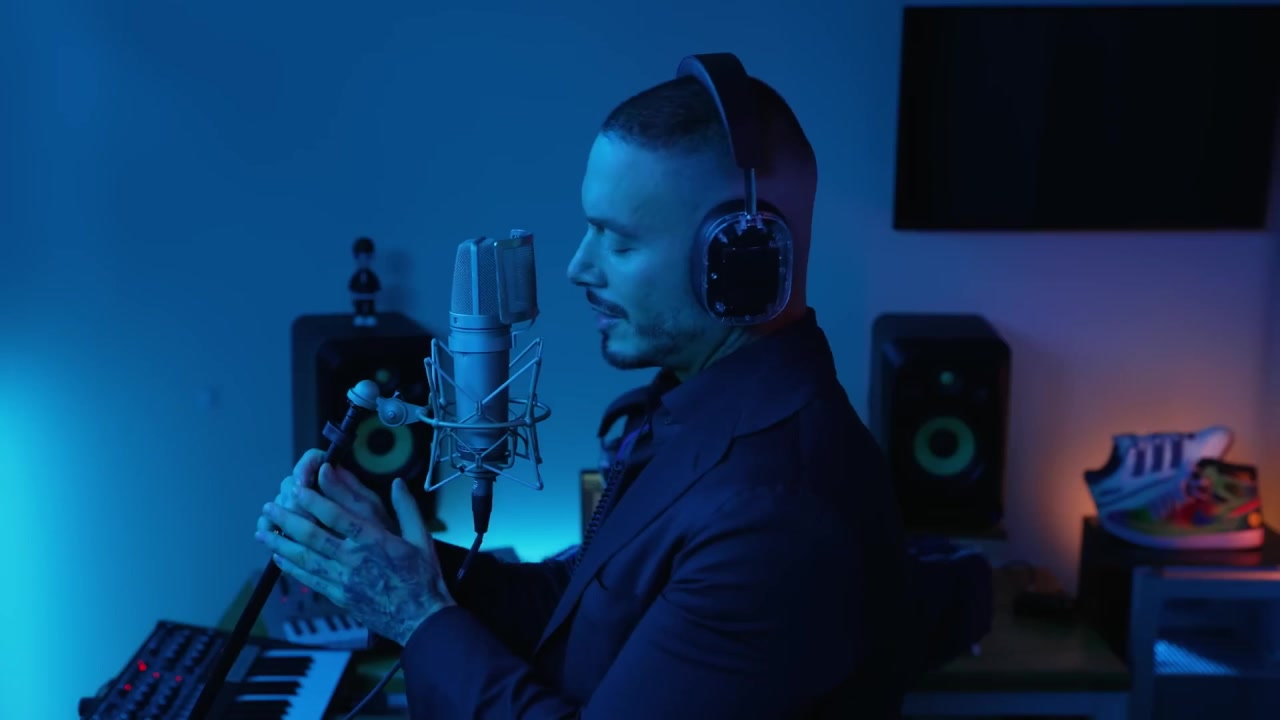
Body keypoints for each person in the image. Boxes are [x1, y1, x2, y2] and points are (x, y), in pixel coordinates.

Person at [255, 58, 909, 719]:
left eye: (619, 243)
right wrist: (387, 561)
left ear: (741, 259)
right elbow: (585, 607)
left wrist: (417, 617)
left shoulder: (775, 514)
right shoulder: (694, 411)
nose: (578, 267)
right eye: (590, 229)